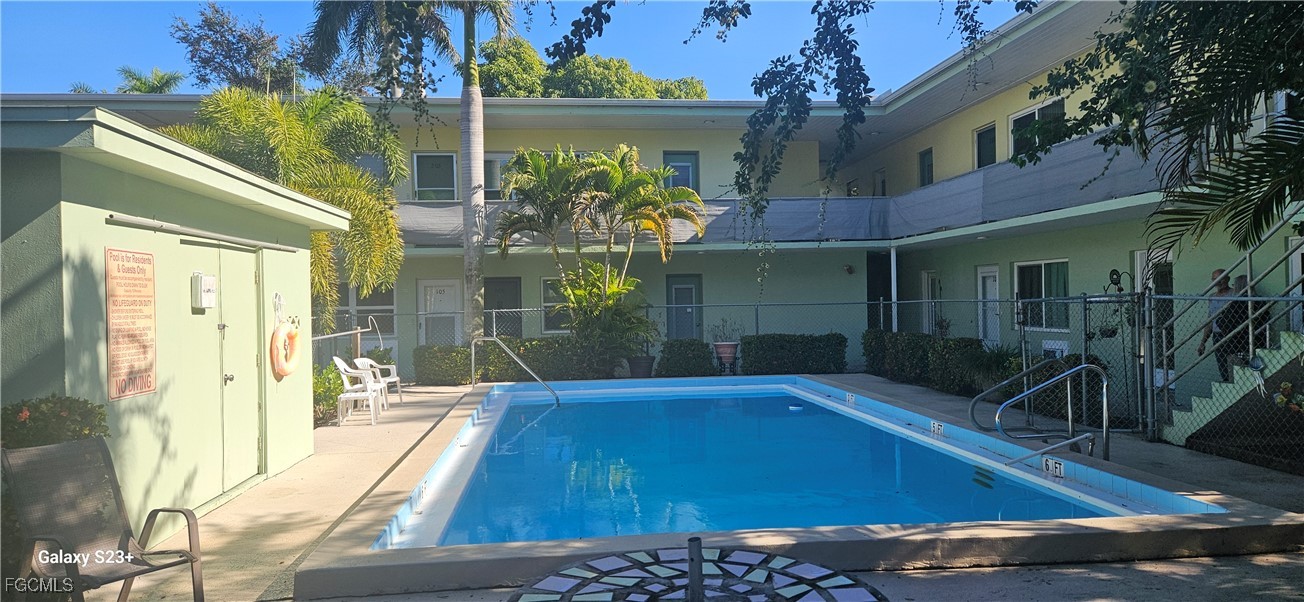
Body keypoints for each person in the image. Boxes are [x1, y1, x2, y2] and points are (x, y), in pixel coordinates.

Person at [1196, 269, 1236, 381]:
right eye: (1215, 279)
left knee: (1236, 368)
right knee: (1223, 368)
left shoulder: (1235, 294)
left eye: (1221, 278)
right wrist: (1203, 342)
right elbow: (1210, 321)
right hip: (1218, 336)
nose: (1218, 282)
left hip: (1234, 335)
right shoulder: (1212, 297)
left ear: (1227, 279)